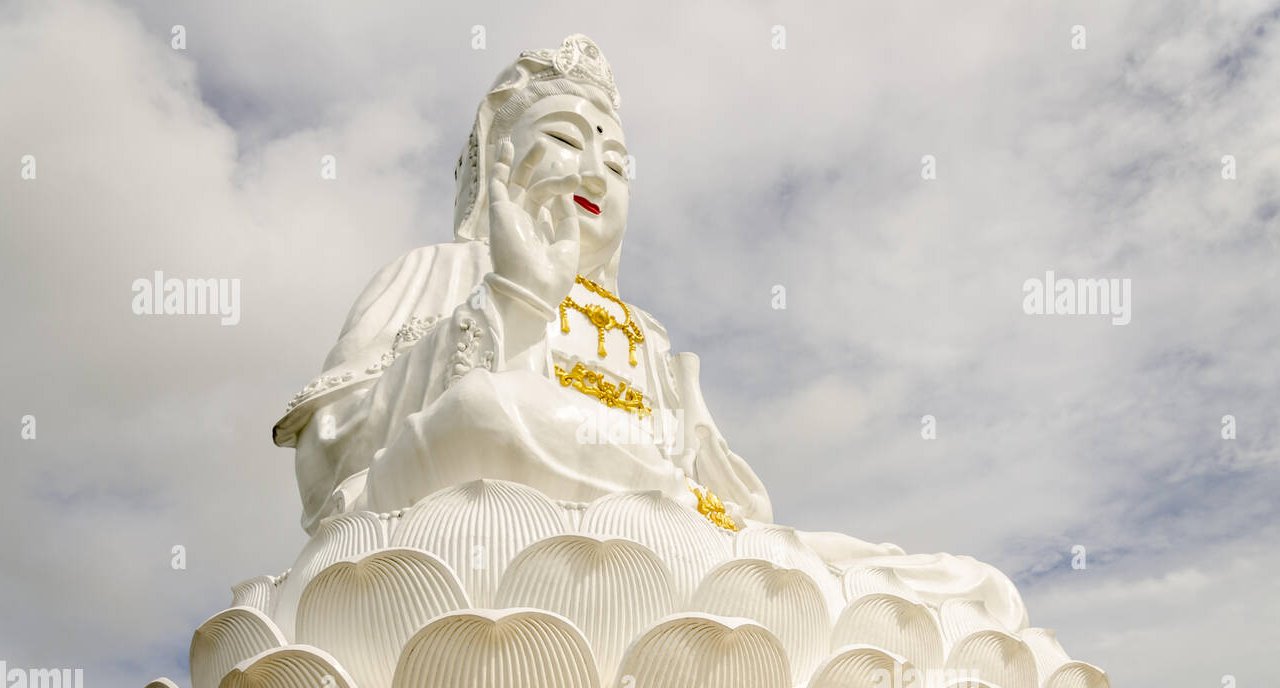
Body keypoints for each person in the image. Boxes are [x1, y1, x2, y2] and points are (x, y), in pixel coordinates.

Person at [272, 34, 1027, 630]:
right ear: (498, 161)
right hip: (473, 556)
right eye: (567, 139)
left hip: (676, 552)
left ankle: (793, 605)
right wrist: (508, 301)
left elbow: (737, 510)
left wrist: (707, 492)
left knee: (967, 588)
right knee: (491, 413)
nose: (596, 172)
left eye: (618, 159)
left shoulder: (648, 336)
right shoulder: (439, 270)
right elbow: (330, 460)